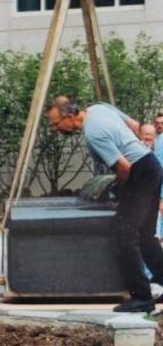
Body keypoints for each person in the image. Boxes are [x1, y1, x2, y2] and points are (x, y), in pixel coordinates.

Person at [46, 95, 163, 312]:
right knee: (145, 234)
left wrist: (119, 189)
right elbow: (134, 125)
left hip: (139, 171)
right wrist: (131, 145)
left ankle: (142, 298)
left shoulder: (93, 134)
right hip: (151, 165)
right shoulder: (99, 108)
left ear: (70, 117)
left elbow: (124, 167)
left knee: (124, 233)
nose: (54, 129)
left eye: (55, 124)